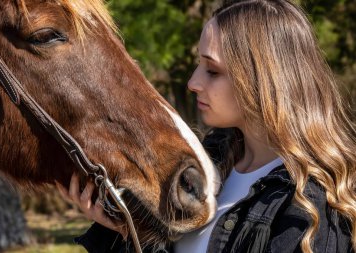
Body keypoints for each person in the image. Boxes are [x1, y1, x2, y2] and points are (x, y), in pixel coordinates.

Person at [56, 0, 356, 252]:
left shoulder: (315, 204)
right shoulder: (206, 167)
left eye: (212, 71)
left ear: (263, 79)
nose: (193, 83)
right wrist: (123, 231)